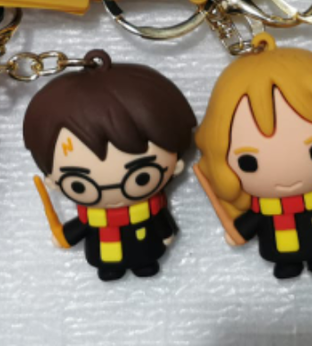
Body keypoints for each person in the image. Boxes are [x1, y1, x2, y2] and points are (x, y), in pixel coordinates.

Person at [195, 36, 312, 279]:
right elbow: (252, 221)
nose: (286, 171)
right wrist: (240, 232)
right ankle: (289, 265)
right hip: (278, 244)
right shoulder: (264, 207)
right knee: (286, 261)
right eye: (249, 163)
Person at [23, 50, 195, 281]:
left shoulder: (149, 208)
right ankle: (111, 269)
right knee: (108, 264)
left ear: (176, 166)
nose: (113, 192)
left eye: (141, 176)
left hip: (147, 247)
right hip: (103, 253)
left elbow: (160, 220)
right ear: (52, 182)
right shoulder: (91, 217)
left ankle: (144, 264)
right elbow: (80, 227)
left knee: (146, 258)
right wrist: (65, 235)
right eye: (80, 185)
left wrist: (166, 232)